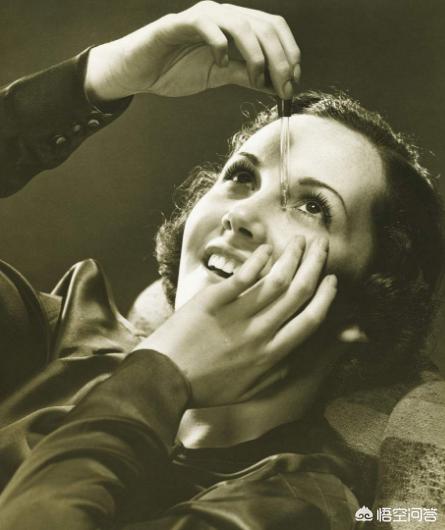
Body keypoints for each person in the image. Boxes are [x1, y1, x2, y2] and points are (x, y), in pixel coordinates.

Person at [0, 2, 442, 529]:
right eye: (241, 177)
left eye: (312, 206)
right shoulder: (59, 336)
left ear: (369, 301)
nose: (242, 214)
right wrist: (97, 79)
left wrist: (160, 377)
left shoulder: (289, 507)